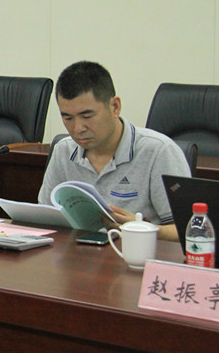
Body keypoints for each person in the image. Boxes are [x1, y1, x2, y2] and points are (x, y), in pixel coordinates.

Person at [38, 61, 190, 241]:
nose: (78, 128)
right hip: (77, 254)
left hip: (136, 255)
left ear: (115, 107)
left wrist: (141, 228)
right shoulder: (63, 150)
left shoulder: (158, 151)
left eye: (87, 116)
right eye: (68, 118)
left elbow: (189, 231)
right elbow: (44, 219)